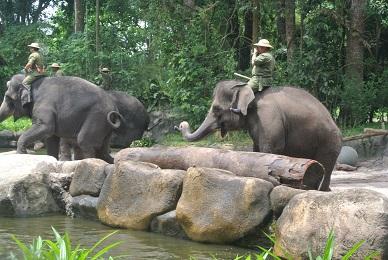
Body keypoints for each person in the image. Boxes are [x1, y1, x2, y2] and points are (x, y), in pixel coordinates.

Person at [230, 39, 275, 114]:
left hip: (259, 80)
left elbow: (254, 62)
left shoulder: (265, 56)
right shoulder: (269, 56)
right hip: (259, 78)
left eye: (259, 47)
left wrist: (254, 53)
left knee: (244, 90)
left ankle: (241, 109)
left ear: (264, 48)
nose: (257, 48)